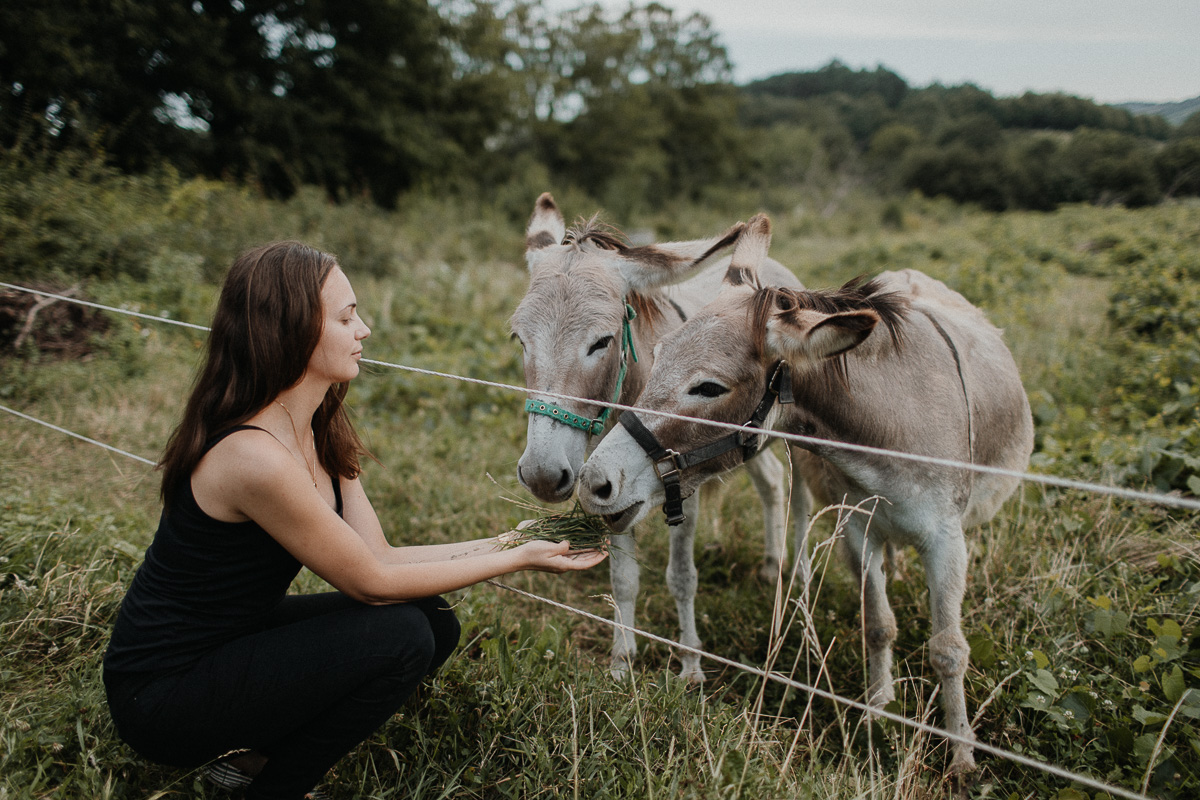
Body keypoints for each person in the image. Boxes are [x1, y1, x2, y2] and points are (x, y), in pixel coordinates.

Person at [102, 241, 607, 800]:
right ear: (292, 329)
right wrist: (517, 560)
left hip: (234, 642)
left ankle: (250, 754)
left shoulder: (318, 425)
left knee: (431, 619)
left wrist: (512, 538)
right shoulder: (252, 456)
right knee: (401, 634)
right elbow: (369, 583)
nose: (364, 329)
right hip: (162, 692)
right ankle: (270, 786)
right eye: (346, 317)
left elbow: (381, 556)